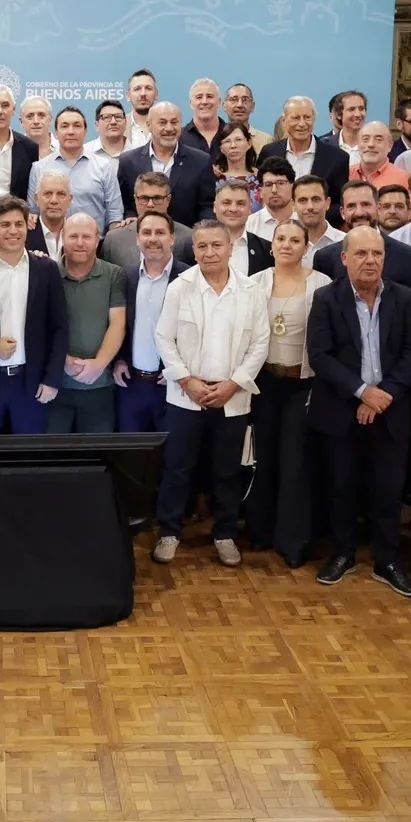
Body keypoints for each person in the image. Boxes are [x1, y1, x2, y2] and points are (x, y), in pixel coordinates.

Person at [308, 226, 411, 592]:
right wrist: (362, 393)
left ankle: (388, 560)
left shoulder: (405, 298)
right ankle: (343, 553)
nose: (370, 261)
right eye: (360, 254)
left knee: (388, 491)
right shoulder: (326, 298)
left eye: (376, 254)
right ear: (344, 258)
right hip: (341, 410)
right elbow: (320, 356)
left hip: (391, 411)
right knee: (342, 487)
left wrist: (382, 395)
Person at [151, 220, 270, 566]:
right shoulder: (180, 287)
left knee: (227, 470)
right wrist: (187, 380)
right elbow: (163, 337)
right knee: (177, 468)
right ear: (194, 250)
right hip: (187, 394)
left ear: (230, 247)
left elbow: (260, 342)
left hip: (232, 395)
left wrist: (234, 383)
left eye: (216, 245)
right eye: (201, 246)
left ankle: (225, 533)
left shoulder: (250, 291)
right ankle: (170, 531)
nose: (209, 252)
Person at [247, 222, 330, 565]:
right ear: (271, 245)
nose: (286, 245)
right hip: (265, 383)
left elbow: (327, 341)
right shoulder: (255, 284)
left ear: (306, 246)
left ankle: (292, 541)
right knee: (264, 458)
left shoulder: (321, 285)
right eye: (280, 239)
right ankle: (261, 532)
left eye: (295, 240)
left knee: (295, 462)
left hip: (303, 385)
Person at [0, 196, 68, 435]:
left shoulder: (46, 269)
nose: (13, 231)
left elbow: (59, 327)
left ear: (27, 226)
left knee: (29, 456)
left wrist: (52, 378)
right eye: (5, 225)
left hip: (32, 380)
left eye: (19, 224)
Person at [112, 211, 190, 434]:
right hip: (131, 385)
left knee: (171, 457)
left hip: (172, 387)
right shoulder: (124, 276)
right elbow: (117, 325)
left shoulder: (188, 278)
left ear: (172, 238)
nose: (153, 238)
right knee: (130, 458)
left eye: (160, 233)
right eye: (146, 232)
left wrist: (177, 371)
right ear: (137, 239)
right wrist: (118, 359)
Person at [51, 214, 125, 434]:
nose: (80, 242)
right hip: (55, 384)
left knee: (97, 458)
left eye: (86, 236)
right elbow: (40, 326)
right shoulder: (47, 273)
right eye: (73, 236)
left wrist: (99, 364)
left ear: (97, 239)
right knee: (50, 456)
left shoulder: (114, 274)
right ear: (62, 237)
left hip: (100, 385)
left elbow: (117, 323)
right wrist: (63, 361)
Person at [117, 100, 215, 228]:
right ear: (149, 125)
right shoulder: (128, 161)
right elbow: (125, 203)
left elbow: (207, 206)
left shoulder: (201, 161)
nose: (169, 128)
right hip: (142, 239)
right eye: (162, 122)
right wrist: (130, 218)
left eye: (174, 122)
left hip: (186, 241)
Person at [31, 106, 123, 228]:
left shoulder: (104, 166)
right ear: (56, 133)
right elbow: (33, 212)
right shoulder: (39, 168)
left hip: (96, 244)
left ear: (85, 132)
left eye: (77, 126)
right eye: (64, 126)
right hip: (51, 244)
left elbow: (114, 215)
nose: (71, 131)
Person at [103, 171, 195, 277]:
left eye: (157, 198)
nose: (150, 204)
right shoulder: (114, 239)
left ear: (168, 200)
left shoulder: (189, 237)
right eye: (144, 198)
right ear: (135, 199)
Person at [215, 177, 273, 278]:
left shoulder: (267, 250)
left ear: (249, 209)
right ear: (214, 207)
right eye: (226, 203)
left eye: (240, 203)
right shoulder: (195, 245)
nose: (233, 209)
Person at [291, 175, 343, 260]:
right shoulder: (284, 246)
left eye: (316, 199)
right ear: (293, 205)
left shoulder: (345, 242)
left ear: (327, 203)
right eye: (303, 200)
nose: (310, 207)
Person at [350, 121, 409, 195]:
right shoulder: (346, 174)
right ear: (358, 144)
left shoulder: (402, 178)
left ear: (390, 146)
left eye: (378, 140)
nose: (371, 144)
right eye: (365, 139)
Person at [28, 169, 73, 262]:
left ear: (70, 199)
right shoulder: (23, 235)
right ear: (36, 199)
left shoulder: (79, 234)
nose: (54, 200)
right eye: (47, 194)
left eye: (61, 194)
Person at [245, 157, 295, 238]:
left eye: (280, 183)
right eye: (268, 184)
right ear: (261, 191)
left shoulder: (304, 221)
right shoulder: (249, 225)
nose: (274, 190)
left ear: (292, 187)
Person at [209, 120, 260, 195]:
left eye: (238, 140)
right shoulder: (214, 178)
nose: (233, 146)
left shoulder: (260, 178)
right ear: (221, 148)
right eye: (227, 141)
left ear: (249, 143)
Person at [224, 82, 274, 152]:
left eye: (245, 99)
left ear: (252, 106)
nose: (240, 105)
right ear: (224, 106)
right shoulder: (217, 138)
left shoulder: (266, 140)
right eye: (234, 99)